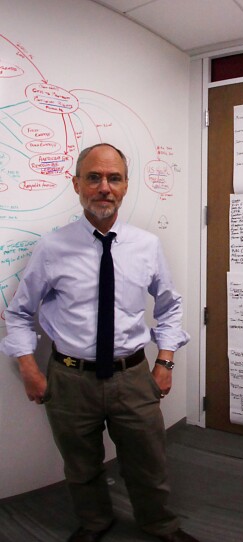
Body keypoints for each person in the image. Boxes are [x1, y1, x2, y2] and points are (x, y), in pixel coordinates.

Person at [0, 143, 198, 542]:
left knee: (148, 462)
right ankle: (94, 522)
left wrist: (166, 362)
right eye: (93, 177)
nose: (104, 187)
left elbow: (170, 307)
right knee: (81, 464)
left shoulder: (146, 246)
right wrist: (28, 368)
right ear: (76, 184)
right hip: (70, 381)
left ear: (125, 186)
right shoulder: (52, 248)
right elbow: (19, 312)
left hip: (133, 378)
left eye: (114, 178)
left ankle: (158, 524)